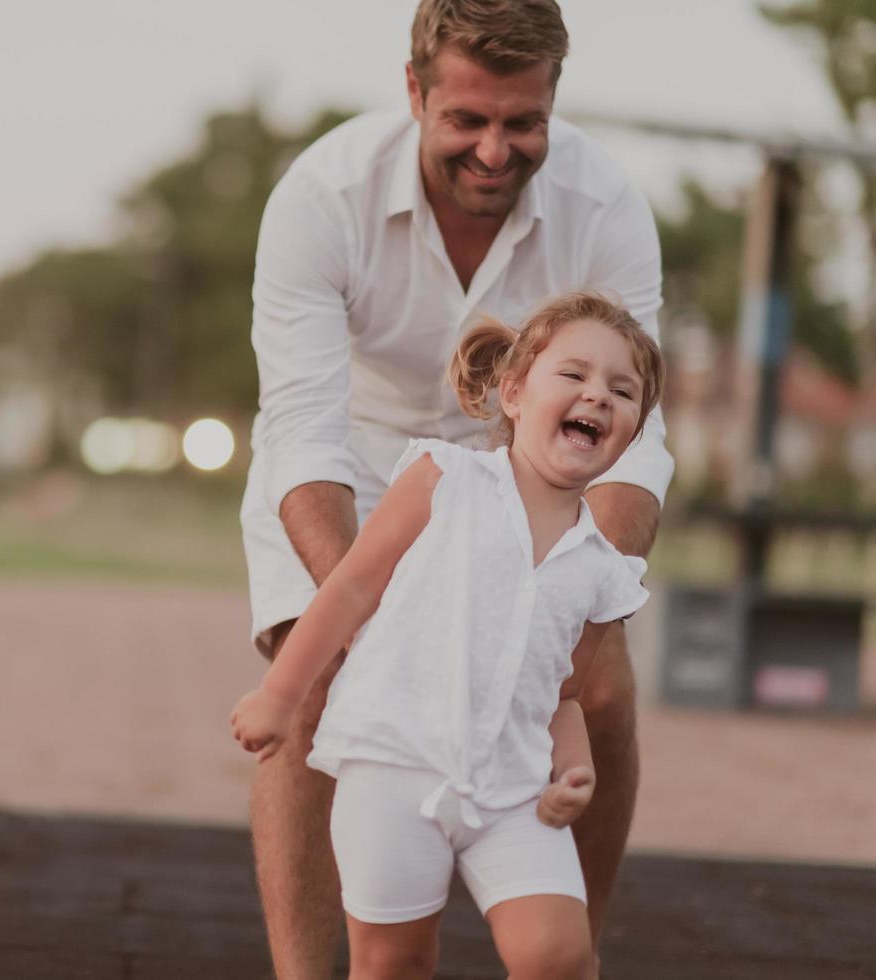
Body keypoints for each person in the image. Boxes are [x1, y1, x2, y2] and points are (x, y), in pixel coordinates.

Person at [239, 1, 674, 975]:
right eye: (467, 120)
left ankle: (567, 953)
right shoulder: (321, 195)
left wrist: (581, 591)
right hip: (359, 445)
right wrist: (369, 614)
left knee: (597, 678)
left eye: (522, 123)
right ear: (415, 92)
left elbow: (639, 439)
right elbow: (303, 429)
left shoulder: (608, 208)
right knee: (323, 675)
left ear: (553, 102)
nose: (493, 149)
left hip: (530, 451)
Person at [233, 292, 665, 979]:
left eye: (623, 389)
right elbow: (349, 589)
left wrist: (572, 767)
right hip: (393, 771)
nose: (598, 396)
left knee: (560, 955)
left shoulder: (602, 570)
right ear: (515, 392)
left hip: (516, 790)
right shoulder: (444, 479)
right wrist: (280, 697)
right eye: (575, 375)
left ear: (634, 429)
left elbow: (562, 691)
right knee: (393, 963)